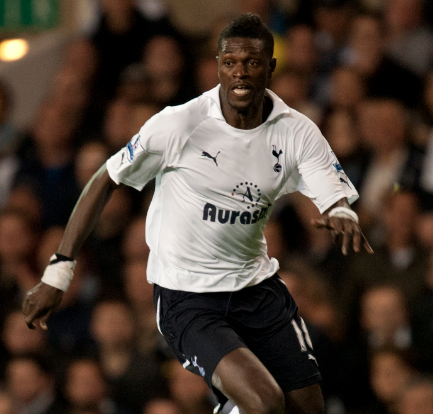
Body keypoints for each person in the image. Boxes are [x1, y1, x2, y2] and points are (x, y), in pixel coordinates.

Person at [22, 14, 373, 414]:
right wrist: (58, 272)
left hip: (257, 288)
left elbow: (332, 194)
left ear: (271, 67)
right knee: (265, 405)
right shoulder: (179, 124)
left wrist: (343, 213)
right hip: (188, 297)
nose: (240, 73)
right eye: (230, 62)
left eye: (252, 63)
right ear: (218, 66)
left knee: (307, 409)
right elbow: (105, 179)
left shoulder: (297, 131)